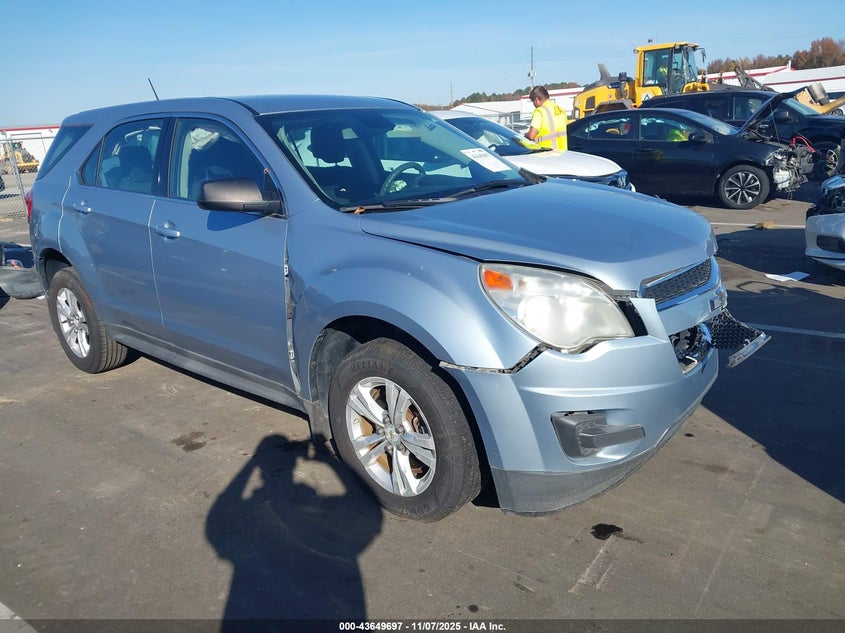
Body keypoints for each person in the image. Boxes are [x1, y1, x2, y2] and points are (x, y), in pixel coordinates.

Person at [525, 86, 568, 151]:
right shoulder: (560, 110)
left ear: (536, 99)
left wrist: (525, 135)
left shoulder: (539, 111)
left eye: (532, 101)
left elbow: (531, 136)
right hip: (563, 152)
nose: (533, 105)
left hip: (546, 153)